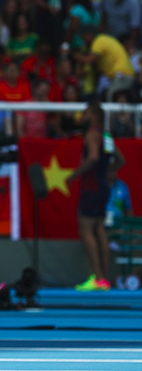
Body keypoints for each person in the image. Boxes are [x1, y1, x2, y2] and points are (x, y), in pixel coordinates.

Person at [66, 102, 120, 291]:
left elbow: (94, 157)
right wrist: (107, 172)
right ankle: (104, 279)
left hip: (91, 186)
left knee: (86, 229)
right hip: (103, 186)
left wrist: (74, 174)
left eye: (86, 113)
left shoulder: (91, 133)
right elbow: (121, 160)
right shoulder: (106, 135)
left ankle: (97, 278)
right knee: (100, 230)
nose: (83, 116)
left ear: (95, 116)